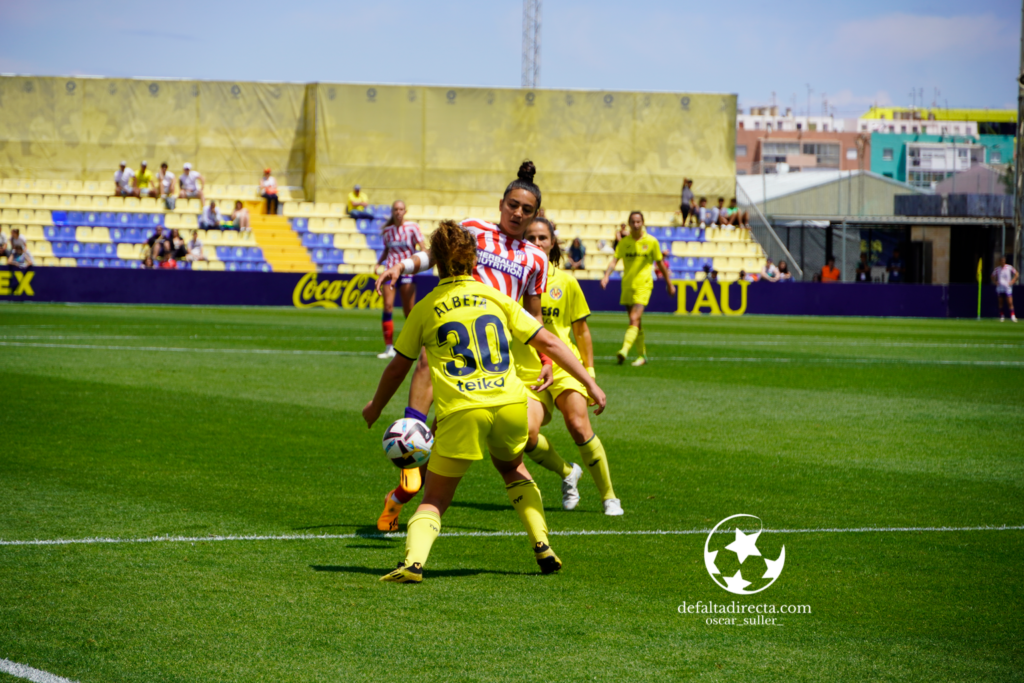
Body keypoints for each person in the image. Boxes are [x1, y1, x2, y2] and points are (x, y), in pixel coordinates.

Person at [364, 220, 606, 583]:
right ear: (474, 259)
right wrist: (590, 382)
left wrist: (375, 407)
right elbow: (550, 342)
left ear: (437, 263)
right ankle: (542, 544)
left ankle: (413, 563)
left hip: (463, 410)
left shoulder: (425, 308)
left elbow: (399, 367)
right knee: (513, 469)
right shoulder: (496, 297)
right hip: (510, 404)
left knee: (435, 499)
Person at [373, 161, 556, 533]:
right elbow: (434, 254)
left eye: (527, 209)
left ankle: (400, 496)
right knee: (425, 370)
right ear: (501, 204)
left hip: (490, 357)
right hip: (452, 336)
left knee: (436, 445)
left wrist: (545, 358)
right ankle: (410, 442)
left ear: (535, 214)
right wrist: (402, 267)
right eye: (513, 205)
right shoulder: (475, 229)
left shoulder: (535, 258)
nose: (518, 213)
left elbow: (534, 313)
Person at [523, 217, 622, 515]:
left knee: (578, 426)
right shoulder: (513, 281)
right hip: (527, 367)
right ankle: (568, 472)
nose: (536, 243)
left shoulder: (566, 282)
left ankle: (609, 497)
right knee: (526, 434)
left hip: (564, 365)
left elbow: (581, 332)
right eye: (530, 237)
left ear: (552, 242)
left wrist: (589, 374)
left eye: (542, 238)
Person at [600, 211, 676, 367]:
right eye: (633, 222)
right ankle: (642, 355)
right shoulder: (624, 243)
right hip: (628, 285)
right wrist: (606, 276)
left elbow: (660, 264)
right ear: (629, 224)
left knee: (634, 318)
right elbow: (614, 261)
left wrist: (669, 283)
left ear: (643, 223)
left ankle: (624, 350)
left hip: (644, 285)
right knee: (635, 322)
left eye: (638, 222)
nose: (636, 225)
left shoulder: (651, 242)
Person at [375, 200, 425, 359]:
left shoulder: (412, 228)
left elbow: (423, 247)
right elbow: (387, 250)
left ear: (405, 211)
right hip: (390, 270)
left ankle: (416, 345)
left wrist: (422, 261)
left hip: (407, 271)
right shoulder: (388, 231)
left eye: (401, 209)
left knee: (409, 311)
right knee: (387, 306)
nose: (398, 212)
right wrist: (378, 263)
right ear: (392, 212)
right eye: (396, 209)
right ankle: (389, 347)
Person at [991, 256, 1019, 322]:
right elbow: (992, 276)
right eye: (1001, 261)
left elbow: (1016, 274)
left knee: (1010, 302)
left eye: (1003, 260)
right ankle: (1002, 316)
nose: (1002, 262)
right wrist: (995, 282)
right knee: (1000, 302)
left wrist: (1012, 281)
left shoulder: (1009, 267)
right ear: (1000, 261)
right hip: (1000, 288)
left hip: (1007, 287)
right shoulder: (997, 269)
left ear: (1005, 261)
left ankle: (1012, 316)